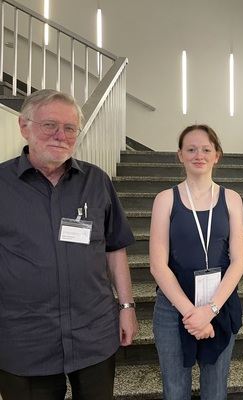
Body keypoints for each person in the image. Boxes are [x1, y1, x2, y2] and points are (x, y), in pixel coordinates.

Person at [0, 89, 138, 400]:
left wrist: (127, 308)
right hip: (24, 340)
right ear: (24, 126)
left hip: (93, 333)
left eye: (70, 128)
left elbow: (115, 248)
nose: (60, 136)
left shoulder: (97, 181)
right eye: (50, 125)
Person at [150, 124, 243, 399]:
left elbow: (239, 260)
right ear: (180, 155)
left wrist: (210, 310)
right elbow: (158, 265)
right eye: (191, 149)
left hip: (220, 305)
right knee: (175, 390)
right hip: (173, 309)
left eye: (206, 149)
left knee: (216, 391)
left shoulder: (232, 199)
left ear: (217, 155)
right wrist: (191, 313)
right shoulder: (165, 199)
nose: (198, 155)